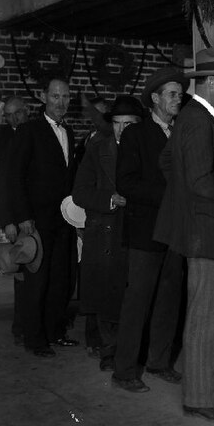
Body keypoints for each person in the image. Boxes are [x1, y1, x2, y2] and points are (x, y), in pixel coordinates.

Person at [154, 47, 214, 422]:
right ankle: (202, 397)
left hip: (205, 230)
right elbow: (200, 180)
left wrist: (185, 202)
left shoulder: (198, 118)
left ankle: (206, 385)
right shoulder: (199, 120)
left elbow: (169, 163)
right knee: (208, 317)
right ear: (211, 82)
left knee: (205, 315)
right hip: (209, 234)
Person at [112, 68, 187, 392]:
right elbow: (126, 183)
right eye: (172, 94)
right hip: (146, 233)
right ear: (155, 99)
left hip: (175, 233)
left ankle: (159, 361)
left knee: (169, 299)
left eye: (179, 94)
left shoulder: (182, 131)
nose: (178, 98)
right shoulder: (135, 135)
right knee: (138, 302)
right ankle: (125, 370)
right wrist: (171, 195)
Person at [6, 77, 78, 357]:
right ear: (43, 97)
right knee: (37, 282)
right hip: (36, 221)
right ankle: (35, 340)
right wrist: (22, 216)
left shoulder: (69, 132)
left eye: (66, 97)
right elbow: (14, 176)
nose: (61, 102)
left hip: (63, 221)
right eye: (55, 96)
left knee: (60, 280)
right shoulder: (29, 130)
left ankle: (54, 332)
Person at [73, 96, 144, 372]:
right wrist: (110, 200)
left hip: (137, 229)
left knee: (133, 294)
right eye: (116, 123)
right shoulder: (97, 148)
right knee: (107, 294)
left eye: (128, 124)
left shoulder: (147, 148)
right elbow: (80, 192)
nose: (121, 130)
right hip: (106, 230)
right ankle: (110, 350)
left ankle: (129, 349)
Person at [0, 97, 29, 345]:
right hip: (16, 212)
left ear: (27, 112)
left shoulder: (34, 133)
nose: (14, 119)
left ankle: (29, 323)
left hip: (34, 210)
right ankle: (21, 326)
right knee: (22, 267)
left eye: (17, 114)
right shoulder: (5, 135)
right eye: (8, 116)